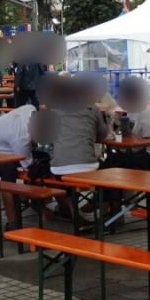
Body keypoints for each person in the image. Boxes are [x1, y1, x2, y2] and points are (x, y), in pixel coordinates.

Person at [35, 75, 108, 227]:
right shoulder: (92, 108)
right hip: (88, 166)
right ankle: (109, 213)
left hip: (59, 167)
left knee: (57, 172)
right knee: (110, 168)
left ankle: (69, 210)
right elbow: (102, 135)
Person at [104, 76, 150, 172]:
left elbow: (149, 140)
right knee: (111, 160)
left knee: (113, 162)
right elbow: (128, 133)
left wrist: (123, 146)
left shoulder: (147, 111)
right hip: (135, 151)